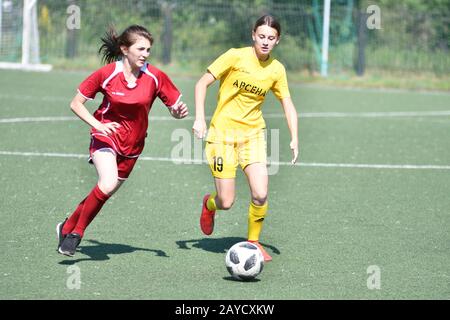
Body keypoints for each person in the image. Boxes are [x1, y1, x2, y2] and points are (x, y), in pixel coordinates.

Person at [56, 25, 188, 257]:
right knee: (106, 183)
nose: (145, 54)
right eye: (141, 49)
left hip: (134, 145)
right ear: (125, 49)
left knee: (104, 192)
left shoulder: (155, 77)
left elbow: (173, 107)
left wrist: (177, 112)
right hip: (105, 136)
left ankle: (65, 227)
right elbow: (76, 103)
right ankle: (76, 234)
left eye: (148, 49)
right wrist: (98, 126)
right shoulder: (107, 73)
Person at [192, 15, 298, 262]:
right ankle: (209, 205)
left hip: (253, 136)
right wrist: (199, 118)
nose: (265, 42)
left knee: (260, 194)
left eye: (271, 38)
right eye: (261, 36)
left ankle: (254, 242)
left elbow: (288, 103)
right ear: (253, 35)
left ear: (277, 41)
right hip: (222, 136)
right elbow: (201, 84)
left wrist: (294, 137)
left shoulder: (276, 69)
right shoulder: (235, 56)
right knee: (226, 201)